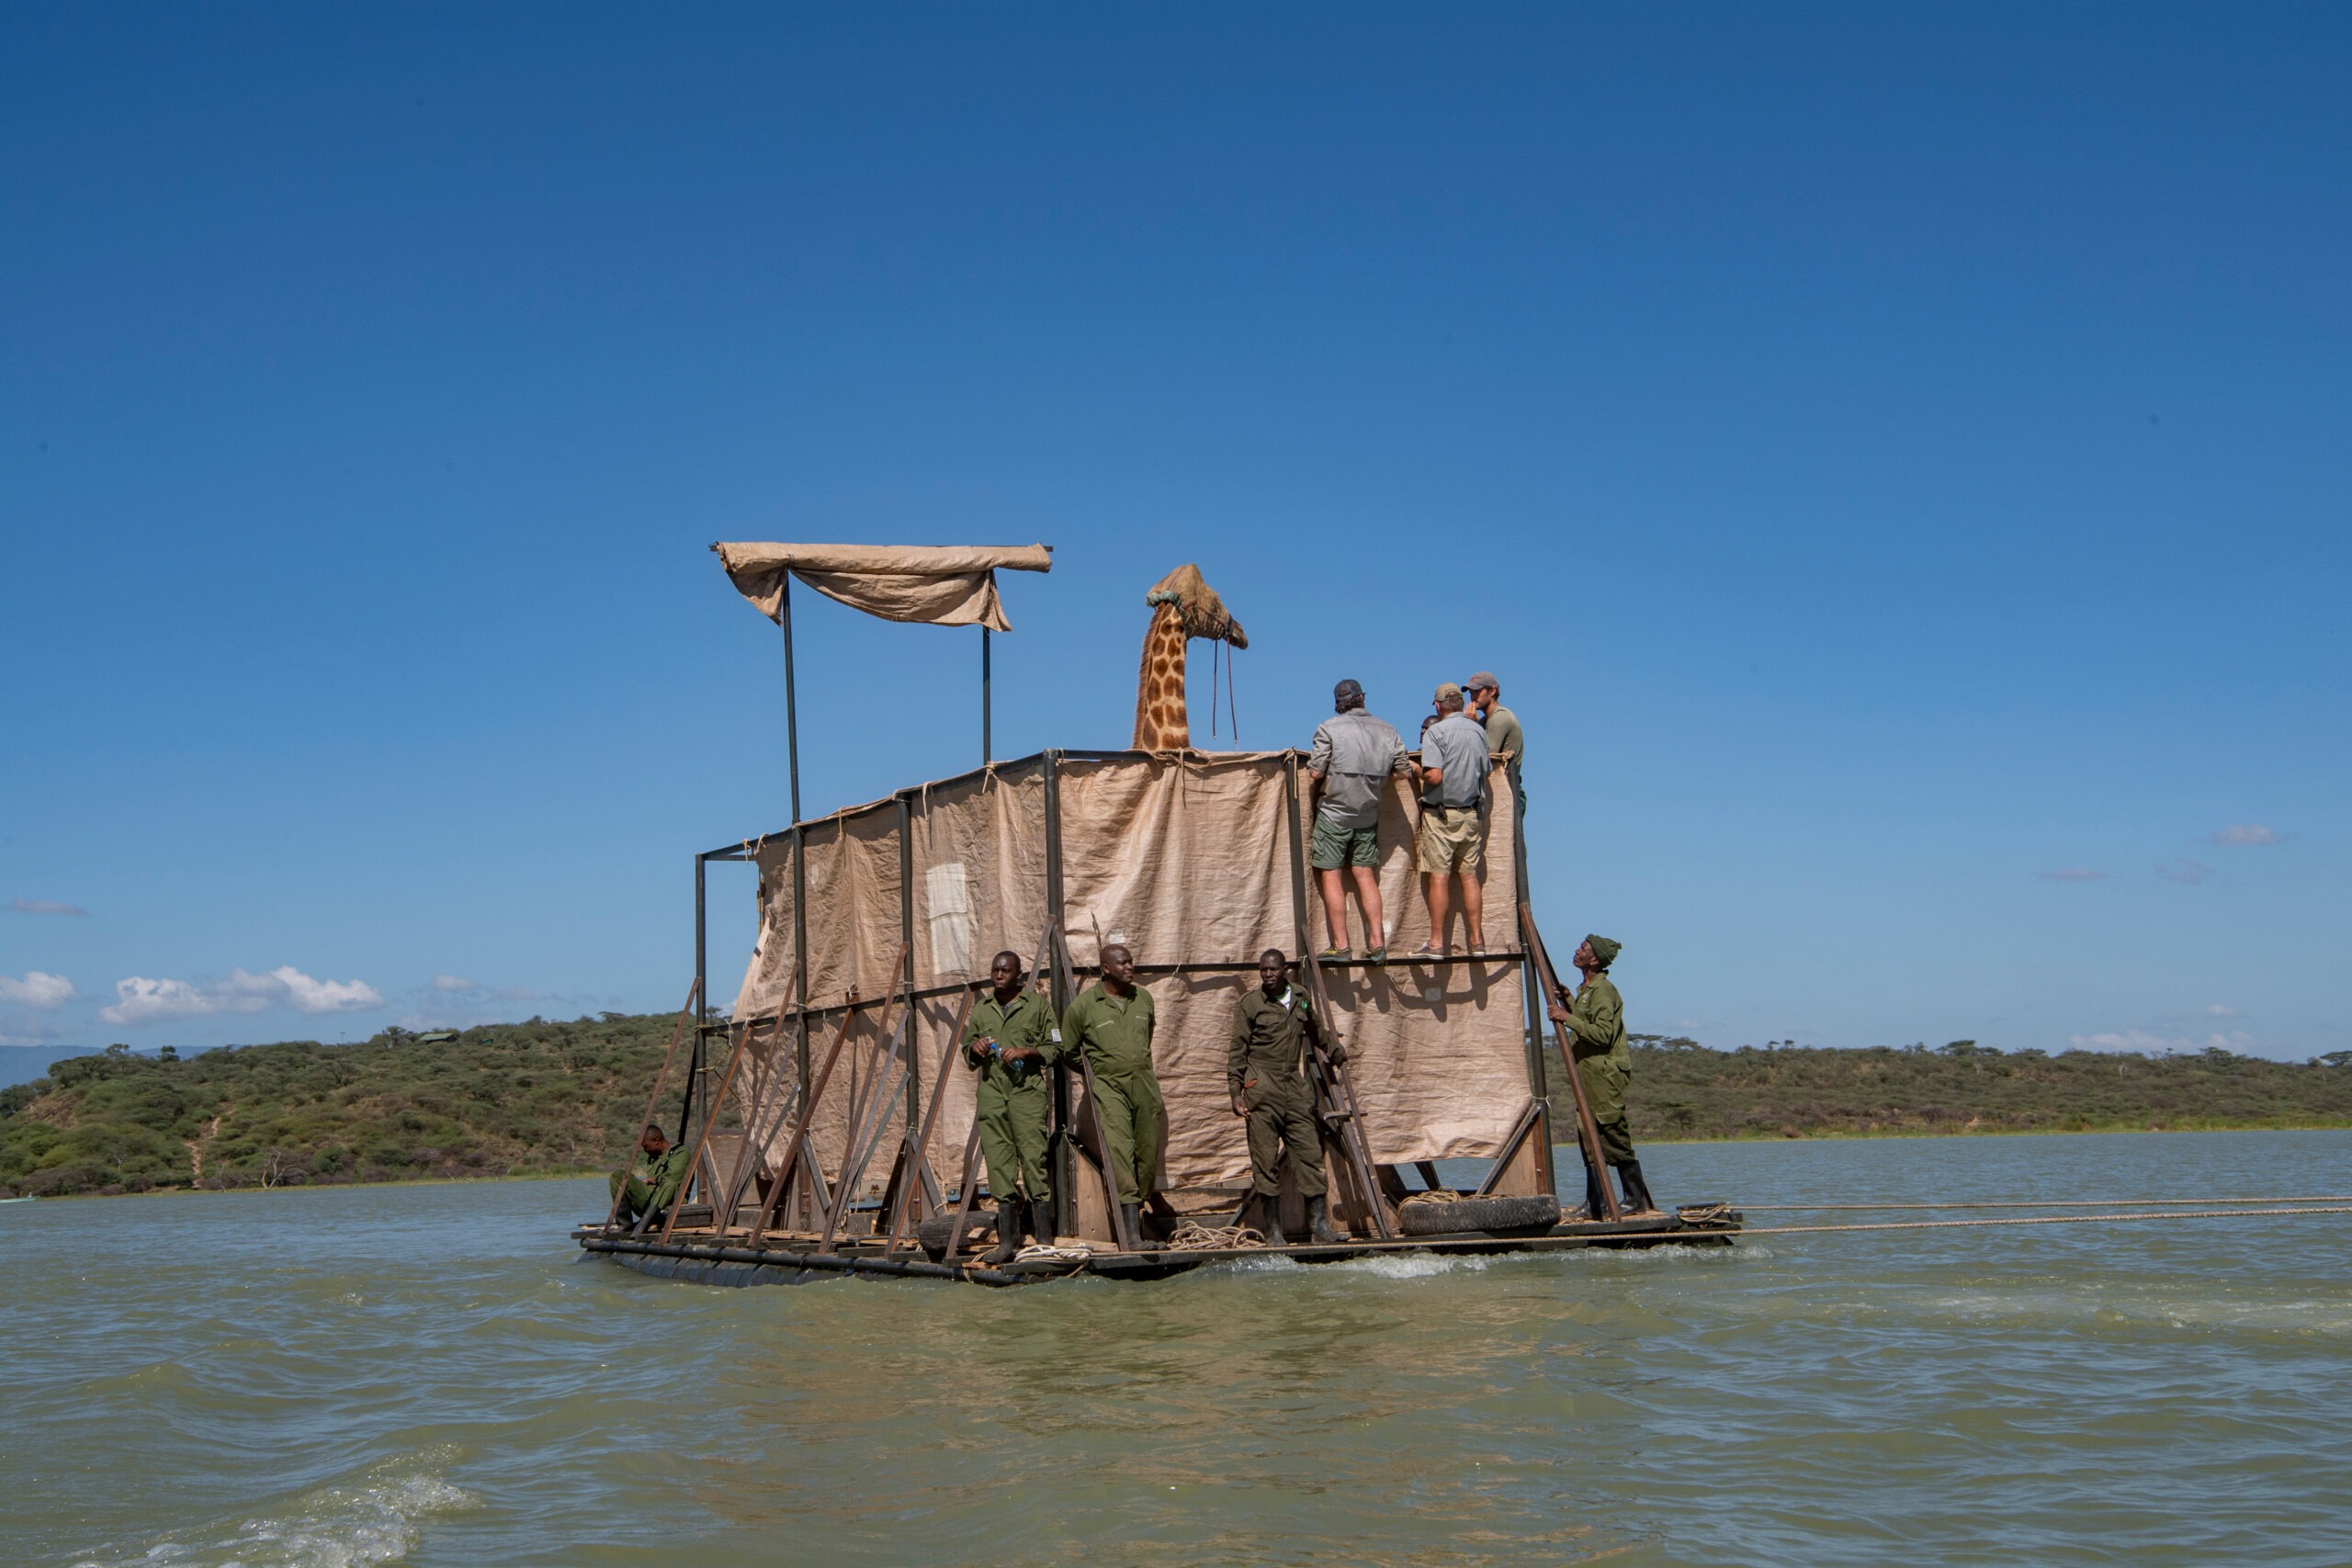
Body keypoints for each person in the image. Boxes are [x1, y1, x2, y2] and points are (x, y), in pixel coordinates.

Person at [1227, 948, 1345, 1245]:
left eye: (1273, 969)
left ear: (1284, 971)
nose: (1268, 975)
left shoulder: (1300, 997)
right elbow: (1237, 1050)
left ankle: (1319, 1226)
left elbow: (1316, 1029)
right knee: (1264, 1160)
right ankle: (1274, 1232)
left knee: (1309, 1155)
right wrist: (1235, 1092)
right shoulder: (1250, 1004)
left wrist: (1336, 1052)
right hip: (1261, 1089)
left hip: (1294, 1087)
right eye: (1263, 970)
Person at [1061, 942, 1165, 1249]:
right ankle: (1132, 1236)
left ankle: (1142, 1214)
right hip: (1108, 1086)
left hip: (1144, 1083)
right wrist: (1099, 1070)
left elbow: (1147, 1036)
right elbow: (1067, 1051)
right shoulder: (1083, 1006)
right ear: (1105, 969)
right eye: (1122, 963)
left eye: (1131, 961)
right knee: (1120, 1150)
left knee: (1147, 1150)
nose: (1129, 967)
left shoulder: (1143, 999)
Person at [963, 948, 1064, 1265]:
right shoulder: (982, 1010)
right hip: (993, 1095)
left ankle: (1043, 1239)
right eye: (994, 970)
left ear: (1018, 975)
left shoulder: (1038, 1007)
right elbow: (968, 1050)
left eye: (1005, 971)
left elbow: (1057, 1046)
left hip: (1027, 1095)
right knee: (999, 1164)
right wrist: (975, 1048)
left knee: (1034, 1160)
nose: (998, 975)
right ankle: (1008, 1240)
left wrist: (1027, 1052)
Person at [1546, 934, 1658, 1216]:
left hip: (1604, 1076)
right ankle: (1595, 1203)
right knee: (1587, 1134)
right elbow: (1589, 1020)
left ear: (1594, 959)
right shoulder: (1587, 990)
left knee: (1612, 1133)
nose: (1577, 951)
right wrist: (1569, 1000)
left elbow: (1602, 1034)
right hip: (1589, 1076)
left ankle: (1635, 1200)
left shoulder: (1603, 991)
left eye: (1583, 949)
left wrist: (1565, 1017)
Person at [1306, 678, 1410, 962]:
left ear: (1338, 703)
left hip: (1333, 815)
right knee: (1366, 877)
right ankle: (1377, 944)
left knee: (1331, 875)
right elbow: (1403, 772)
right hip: (1368, 815)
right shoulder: (1388, 731)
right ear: (1363, 698)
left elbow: (1315, 773)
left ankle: (1341, 947)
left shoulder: (1328, 728)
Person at [1411, 682, 1490, 956]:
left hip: (1441, 814)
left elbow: (1434, 776)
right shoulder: (1478, 731)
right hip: (1471, 813)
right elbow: (1487, 770)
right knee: (1469, 878)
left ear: (1438, 705)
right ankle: (1477, 941)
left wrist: (1416, 769)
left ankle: (1436, 943)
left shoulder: (1436, 732)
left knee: (1440, 878)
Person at [1464, 671, 1525, 817]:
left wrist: (1471, 726)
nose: (1473, 697)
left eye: (1477, 692)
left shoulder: (1500, 717)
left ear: (1492, 691)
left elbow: (1486, 758)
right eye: (1471, 692)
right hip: (1495, 790)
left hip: (1508, 789)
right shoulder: (1485, 721)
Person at [609, 1123, 689, 1230]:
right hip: (651, 1199)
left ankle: (650, 1220)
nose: (645, 1150)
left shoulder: (680, 1153)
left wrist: (655, 1179)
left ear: (656, 1140)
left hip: (668, 1201)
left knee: (669, 1183)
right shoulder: (653, 1158)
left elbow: (673, 1178)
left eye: (645, 1146)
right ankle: (624, 1223)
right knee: (618, 1177)